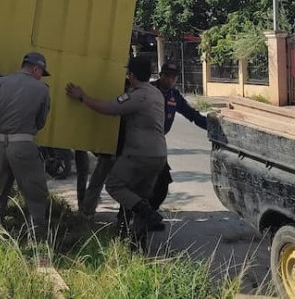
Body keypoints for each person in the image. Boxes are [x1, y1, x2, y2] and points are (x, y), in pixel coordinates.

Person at [65, 55, 167, 239]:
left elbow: (109, 107)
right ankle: (138, 241)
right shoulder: (156, 93)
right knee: (140, 197)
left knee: (113, 185)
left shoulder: (137, 96)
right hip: (159, 155)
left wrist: (83, 97)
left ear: (132, 75)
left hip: (139, 154)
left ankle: (148, 214)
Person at [0, 52, 51, 240]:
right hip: (23, 145)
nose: (41, 76)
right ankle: (37, 241)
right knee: (35, 195)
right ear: (36, 68)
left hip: (0, 144)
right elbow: (40, 122)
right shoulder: (42, 89)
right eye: (41, 72)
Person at [149, 61, 207, 210]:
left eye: (174, 77)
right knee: (136, 184)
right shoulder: (150, 91)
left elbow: (192, 115)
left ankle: (147, 214)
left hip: (157, 144)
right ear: (161, 75)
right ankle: (125, 220)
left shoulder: (174, 95)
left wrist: (212, 126)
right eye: (167, 76)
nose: (171, 79)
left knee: (162, 184)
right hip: (140, 142)